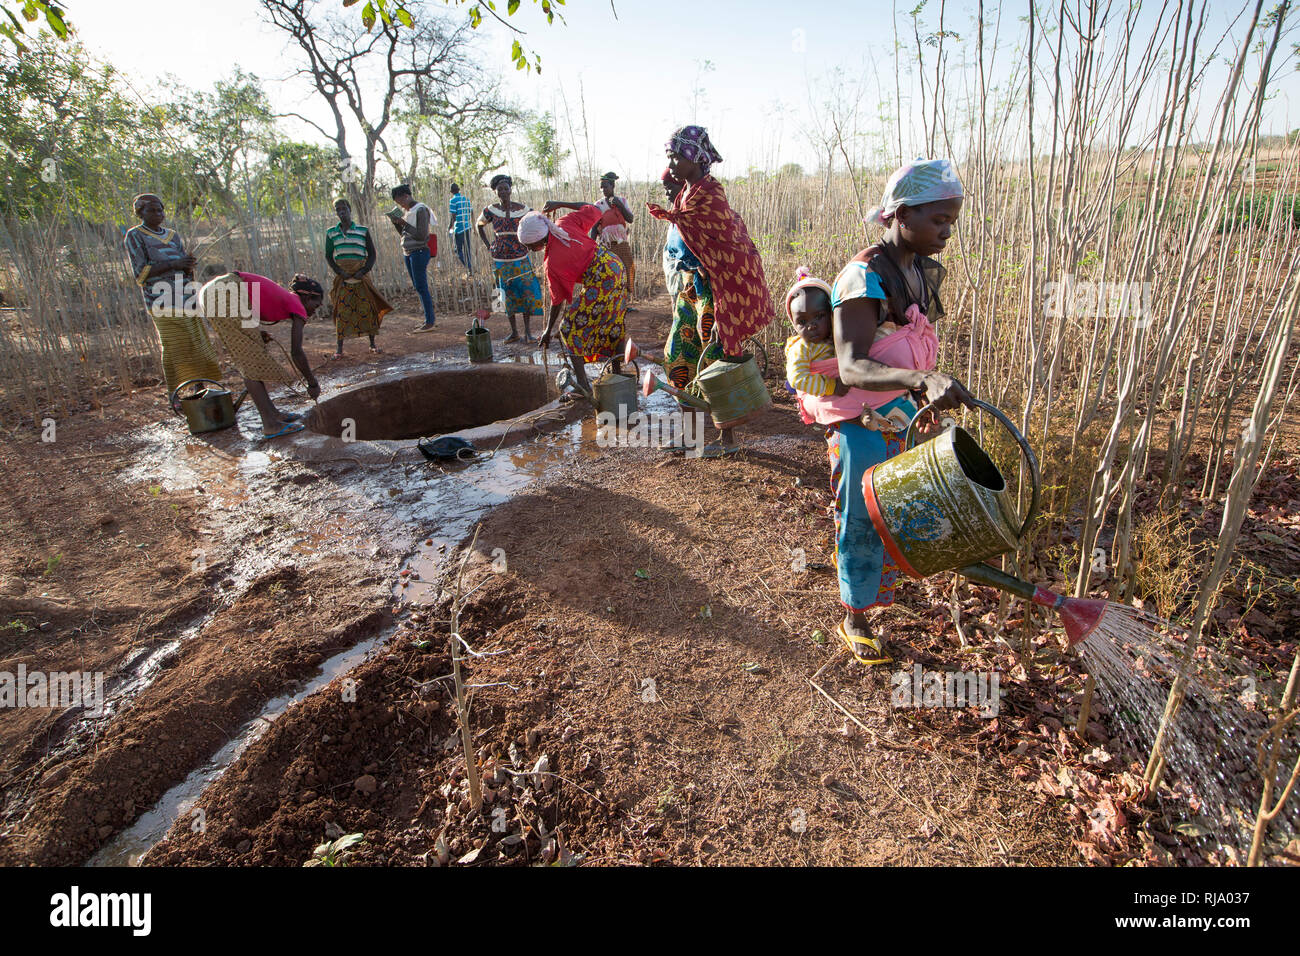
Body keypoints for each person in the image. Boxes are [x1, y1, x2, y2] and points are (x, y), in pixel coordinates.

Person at [826, 158, 974, 665]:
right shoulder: (863, 276)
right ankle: (854, 617)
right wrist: (921, 379)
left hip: (900, 416)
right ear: (902, 213)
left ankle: (873, 589)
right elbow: (851, 366)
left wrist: (926, 394)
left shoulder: (914, 270)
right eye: (938, 220)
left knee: (893, 511)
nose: (946, 232)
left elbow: (908, 344)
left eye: (952, 221)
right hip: (862, 421)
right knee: (862, 516)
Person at [646, 125, 773, 457]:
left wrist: (725, 311)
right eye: (669, 156)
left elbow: (727, 255)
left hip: (718, 291)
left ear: (694, 157)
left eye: (676, 156)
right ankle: (689, 435)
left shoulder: (710, 194)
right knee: (678, 356)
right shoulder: (688, 194)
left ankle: (727, 439)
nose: (671, 163)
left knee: (716, 360)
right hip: (694, 289)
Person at [784, 266, 916, 431]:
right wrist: (831, 386)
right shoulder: (801, 347)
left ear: (832, 313)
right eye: (802, 322)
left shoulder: (837, 335)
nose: (811, 326)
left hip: (844, 387)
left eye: (819, 316)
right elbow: (797, 378)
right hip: (828, 392)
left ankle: (894, 419)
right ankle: (862, 420)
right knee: (832, 406)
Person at [519, 203, 628, 397]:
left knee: (568, 329)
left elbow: (557, 300)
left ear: (536, 242)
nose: (529, 249)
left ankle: (583, 385)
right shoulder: (564, 222)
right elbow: (593, 209)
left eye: (528, 246)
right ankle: (618, 375)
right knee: (613, 322)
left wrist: (548, 330)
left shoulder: (552, 262)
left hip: (601, 279)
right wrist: (561, 204)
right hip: (615, 266)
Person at [200, 271, 324, 439]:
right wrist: (312, 383)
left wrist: (258, 335)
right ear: (307, 297)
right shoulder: (297, 305)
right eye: (315, 306)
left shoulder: (287, 299)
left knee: (252, 353)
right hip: (226, 292)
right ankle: (270, 424)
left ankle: (273, 415)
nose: (313, 312)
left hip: (218, 290)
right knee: (250, 360)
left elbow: (252, 306)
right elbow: (296, 352)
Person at [123, 193, 221, 397]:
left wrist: (187, 265)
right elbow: (140, 273)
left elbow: (183, 266)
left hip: (186, 296)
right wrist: (173, 264)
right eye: (152, 210)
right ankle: (175, 394)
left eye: (160, 210)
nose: (158, 214)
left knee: (196, 342)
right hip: (162, 301)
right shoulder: (135, 235)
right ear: (140, 213)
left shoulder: (172, 235)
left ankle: (200, 388)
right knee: (175, 347)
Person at [476, 174, 543, 343]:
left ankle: (528, 332)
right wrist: (488, 245)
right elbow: (479, 225)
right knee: (507, 296)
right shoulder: (491, 210)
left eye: (506, 188)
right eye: (500, 189)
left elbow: (537, 222)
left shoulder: (522, 209)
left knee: (526, 293)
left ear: (510, 189)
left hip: (521, 259)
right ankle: (514, 332)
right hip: (500, 261)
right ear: (496, 192)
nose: (504, 192)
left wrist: (531, 243)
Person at [325, 198, 391, 358]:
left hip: (361, 276)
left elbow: (372, 254)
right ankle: (339, 349)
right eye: (338, 210)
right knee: (342, 312)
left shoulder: (362, 230)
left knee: (367, 308)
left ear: (349, 209)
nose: (341, 212)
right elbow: (328, 256)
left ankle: (372, 344)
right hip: (344, 277)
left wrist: (364, 270)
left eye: (344, 209)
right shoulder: (331, 233)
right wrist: (340, 272)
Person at [389, 184, 436, 331]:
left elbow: (421, 235)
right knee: (418, 286)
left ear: (406, 196)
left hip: (419, 251)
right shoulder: (408, 211)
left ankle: (430, 321)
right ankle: (428, 319)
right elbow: (405, 233)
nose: (401, 205)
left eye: (400, 201)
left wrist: (404, 223)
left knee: (421, 286)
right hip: (409, 251)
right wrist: (397, 224)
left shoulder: (420, 209)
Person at [594, 171, 636, 303]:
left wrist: (619, 205)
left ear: (612, 186)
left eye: (605, 186)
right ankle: (609, 303)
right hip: (606, 245)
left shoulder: (622, 201)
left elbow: (630, 219)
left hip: (621, 244)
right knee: (609, 273)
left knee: (627, 269)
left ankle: (623, 303)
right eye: (601, 187)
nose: (603, 190)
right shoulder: (598, 205)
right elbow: (595, 227)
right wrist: (591, 245)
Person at [659, 169, 687, 300]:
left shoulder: (689, 214)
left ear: (682, 186)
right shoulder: (675, 214)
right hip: (676, 281)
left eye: (669, 187)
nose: (666, 193)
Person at [448, 182, 474, 273]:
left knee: (457, 250)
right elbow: (472, 212)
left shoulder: (453, 200)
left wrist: (449, 227)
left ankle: (469, 267)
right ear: (458, 190)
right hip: (468, 227)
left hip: (459, 228)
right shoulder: (466, 199)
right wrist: (473, 225)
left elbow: (453, 216)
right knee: (467, 249)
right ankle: (470, 268)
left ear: (451, 191)